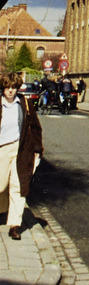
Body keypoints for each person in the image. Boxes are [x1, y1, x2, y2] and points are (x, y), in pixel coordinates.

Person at [0, 72, 43, 241]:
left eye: (13, 87)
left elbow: (35, 127)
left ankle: (15, 225)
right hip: (2, 149)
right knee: (1, 186)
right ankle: (3, 210)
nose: (10, 91)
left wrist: (37, 149)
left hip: (21, 150)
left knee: (18, 186)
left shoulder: (25, 104)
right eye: (7, 88)